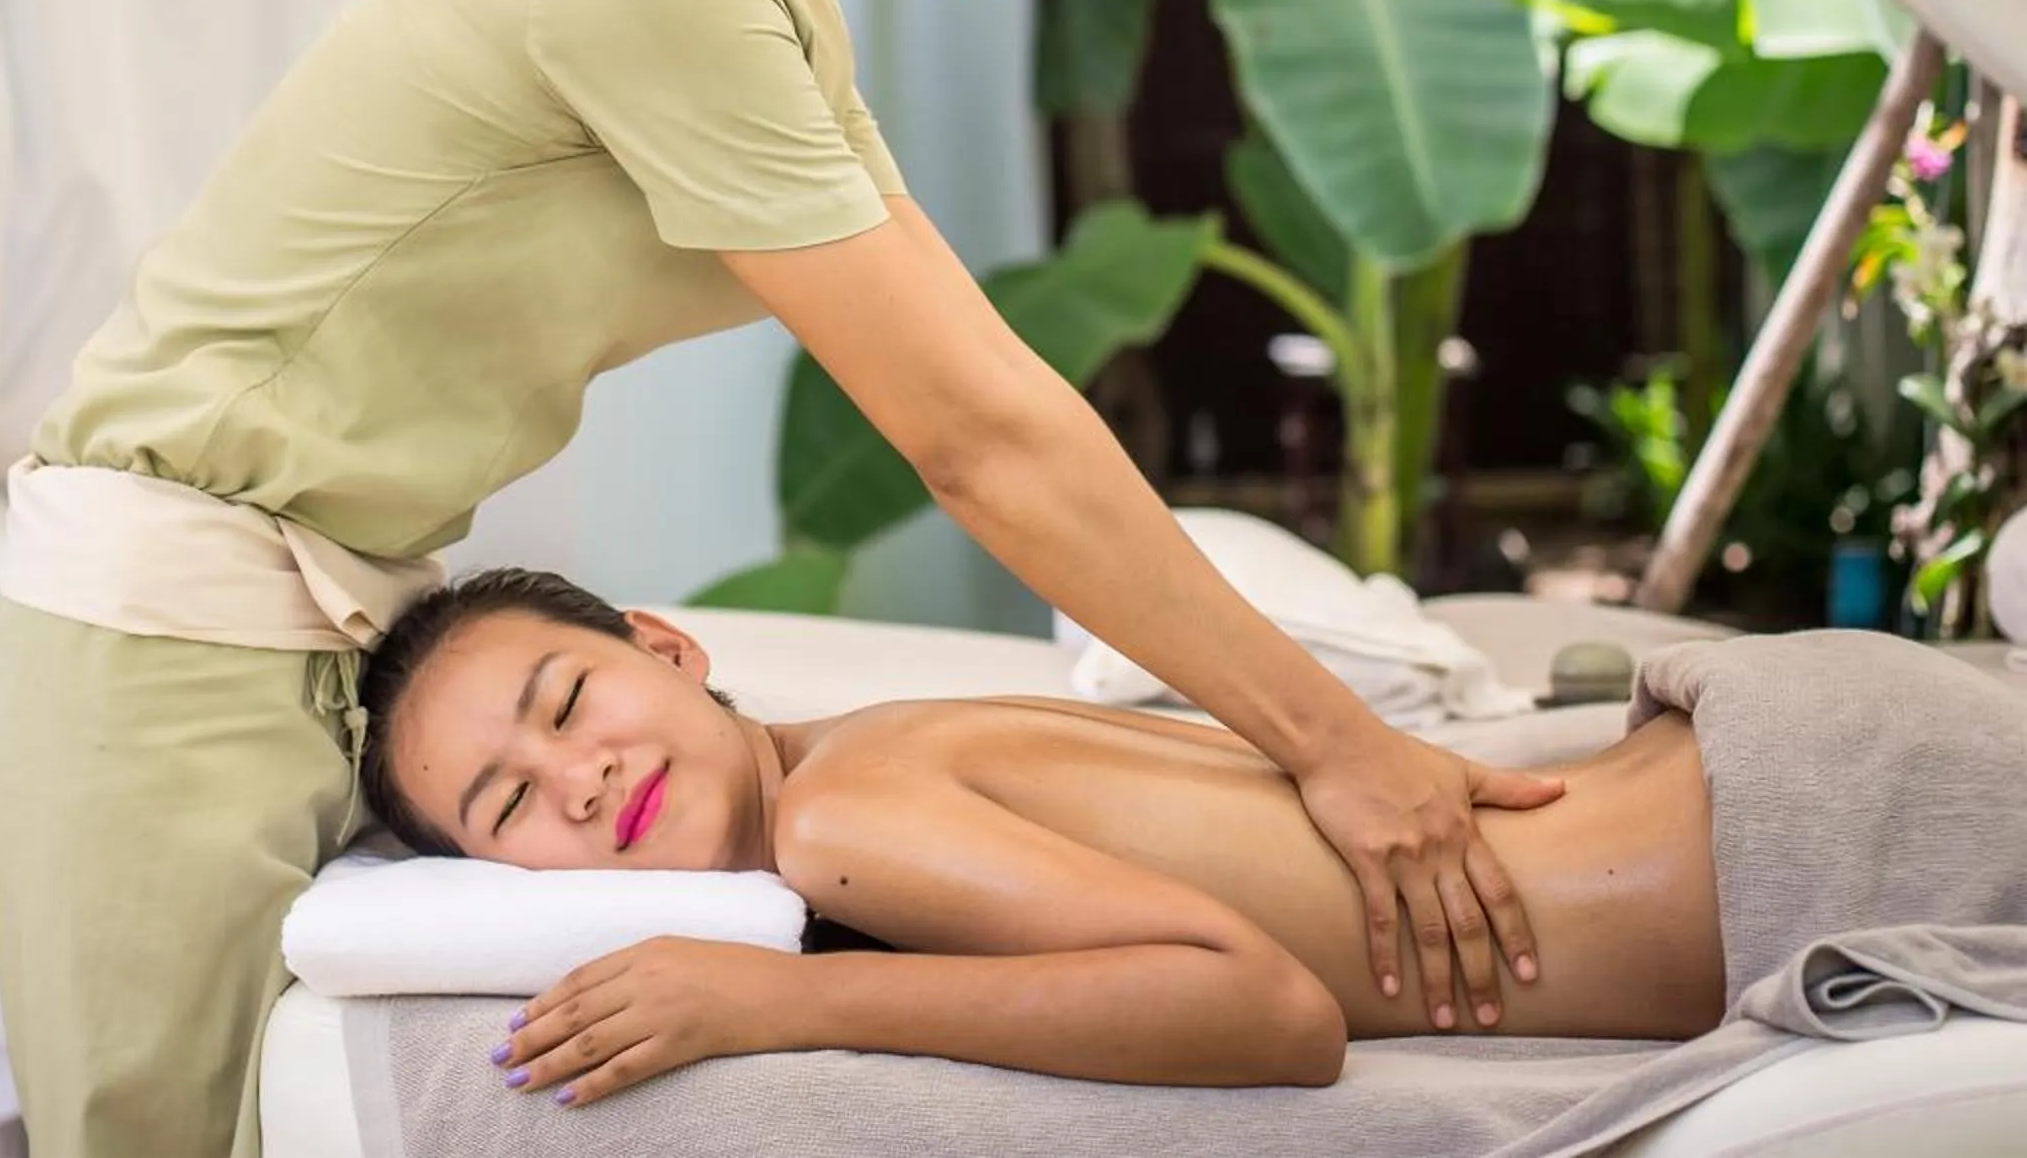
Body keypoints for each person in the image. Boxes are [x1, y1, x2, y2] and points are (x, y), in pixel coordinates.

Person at [0, 0, 1562, 1154]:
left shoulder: (766, 2)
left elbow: (982, 381)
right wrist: (1338, 748)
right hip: (164, 647)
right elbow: (978, 441)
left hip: (313, 634)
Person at [354, 568, 2027, 1104]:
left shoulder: (842, 818)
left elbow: (1270, 1014)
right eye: (508, 807)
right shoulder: (870, 757)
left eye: (569, 704)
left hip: (1812, 834)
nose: (574, 782)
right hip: (1769, 763)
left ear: (667, 644)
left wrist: (784, 1002)